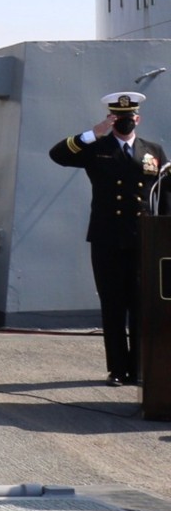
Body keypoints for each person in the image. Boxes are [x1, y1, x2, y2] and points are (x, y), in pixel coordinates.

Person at [49, 90, 167, 385]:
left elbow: (164, 194)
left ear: (137, 118)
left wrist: (165, 234)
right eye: (117, 118)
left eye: (128, 118)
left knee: (141, 304)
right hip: (107, 238)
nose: (123, 123)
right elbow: (58, 155)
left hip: (143, 239)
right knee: (113, 305)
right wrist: (92, 133)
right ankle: (117, 369)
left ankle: (139, 367)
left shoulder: (153, 151)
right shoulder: (96, 147)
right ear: (109, 119)